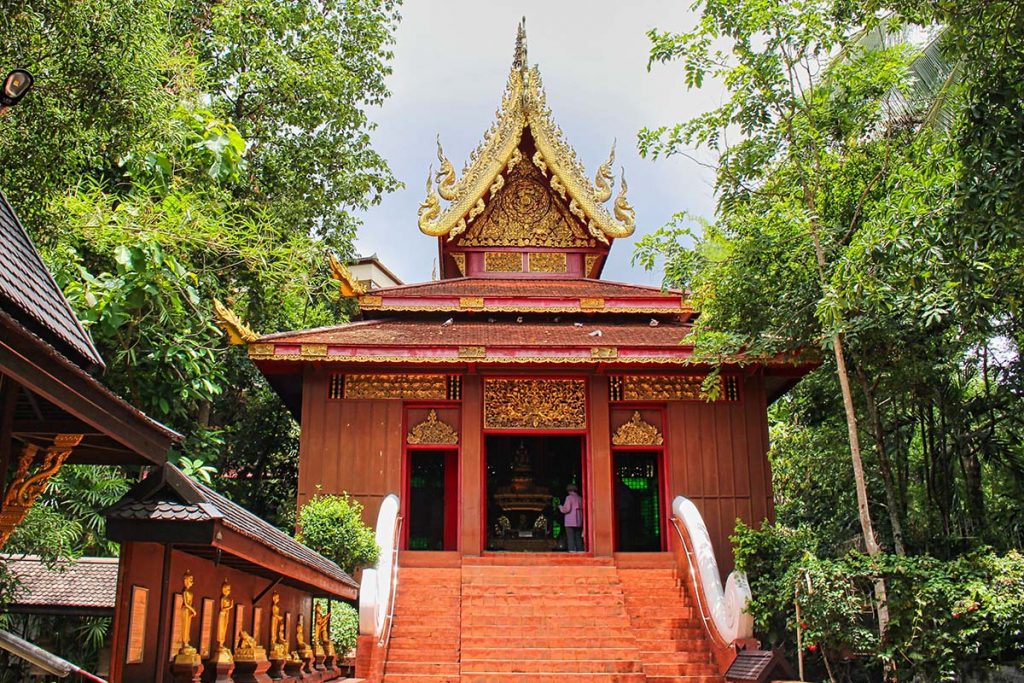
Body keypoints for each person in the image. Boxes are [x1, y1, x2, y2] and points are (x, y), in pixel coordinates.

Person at [558, 483, 584, 552]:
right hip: (579, 520)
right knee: (578, 537)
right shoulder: (580, 498)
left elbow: (567, 509)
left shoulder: (569, 498)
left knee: (570, 537)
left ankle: (572, 550)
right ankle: (580, 551)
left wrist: (560, 507)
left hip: (570, 521)